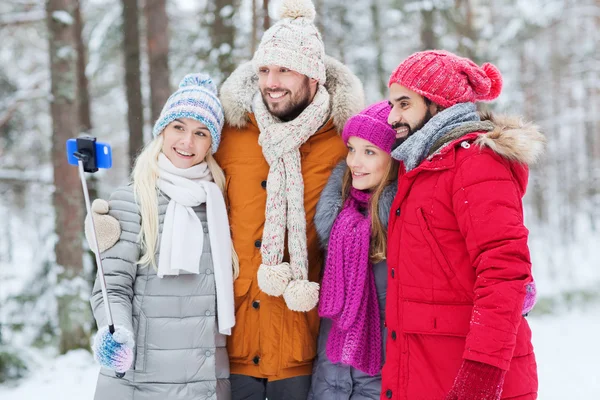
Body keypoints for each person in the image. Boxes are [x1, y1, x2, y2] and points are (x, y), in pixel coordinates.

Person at [86, 0, 364, 398]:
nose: (271, 81)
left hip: (301, 342)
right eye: (265, 69)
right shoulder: (230, 135)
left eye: (285, 69)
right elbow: (175, 182)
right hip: (229, 347)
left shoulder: (343, 144)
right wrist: (112, 218)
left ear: (314, 76)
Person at [382, 50, 543, 400]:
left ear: (438, 105)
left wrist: (482, 372)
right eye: (391, 103)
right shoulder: (422, 165)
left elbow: (504, 269)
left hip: (471, 377)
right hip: (428, 372)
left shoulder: (477, 163)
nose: (392, 116)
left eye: (404, 104)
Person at [88, 73, 237, 400]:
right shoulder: (131, 199)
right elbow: (111, 287)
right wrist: (117, 333)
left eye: (200, 133)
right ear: (163, 131)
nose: (187, 142)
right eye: (179, 128)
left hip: (206, 381)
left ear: (211, 143)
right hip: (143, 381)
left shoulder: (217, 203)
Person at [307, 101, 398, 400]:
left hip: (380, 386)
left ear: (394, 159)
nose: (354, 161)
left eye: (369, 152)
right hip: (328, 384)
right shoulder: (337, 223)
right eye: (352, 148)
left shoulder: (403, 228)